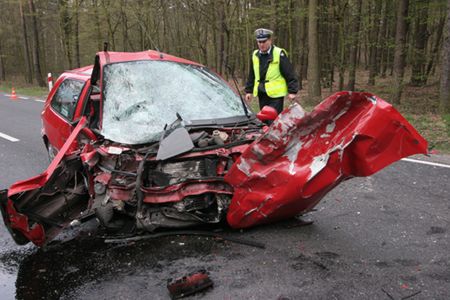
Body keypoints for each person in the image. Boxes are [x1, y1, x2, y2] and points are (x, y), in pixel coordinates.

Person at [245, 28, 299, 114]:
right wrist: (249, 91)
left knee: (273, 120)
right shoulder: (255, 55)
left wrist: (292, 91)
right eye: (259, 42)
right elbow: (252, 74)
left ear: (270, 40)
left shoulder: (279, 53)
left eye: (264, 41)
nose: (261, 44)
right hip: (261, 93)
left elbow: (289, 73)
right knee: (264, 119)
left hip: (276, 95)